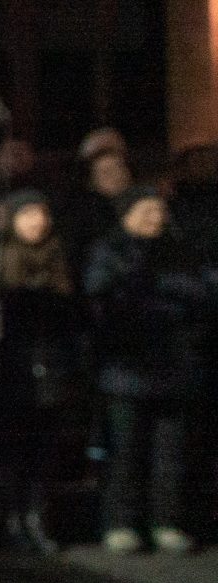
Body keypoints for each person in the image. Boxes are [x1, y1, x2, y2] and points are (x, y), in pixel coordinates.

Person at [84, 189, 213, 554]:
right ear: (127, 214)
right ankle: (121, 522)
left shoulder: (180, 249)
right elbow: (103, 294)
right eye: (146, 210)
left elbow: (202, 292)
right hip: (126, 371)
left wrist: (158, 293)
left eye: (159, 210)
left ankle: (166, 521)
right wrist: (157, 296)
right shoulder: (110, 249)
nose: (155, 217)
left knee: (169, 453)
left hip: (174, 369)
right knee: (126, 451)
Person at [0, 191, 83, 552]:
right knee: (12, 447)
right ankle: (11, 518)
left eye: (41, 213)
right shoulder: (0, 262)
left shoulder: (59, 258)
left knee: (43, 449)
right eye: (28, 214)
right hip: (13, 370)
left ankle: (37, 517)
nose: (37, 221)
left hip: (50, 367)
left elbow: (74, 318)